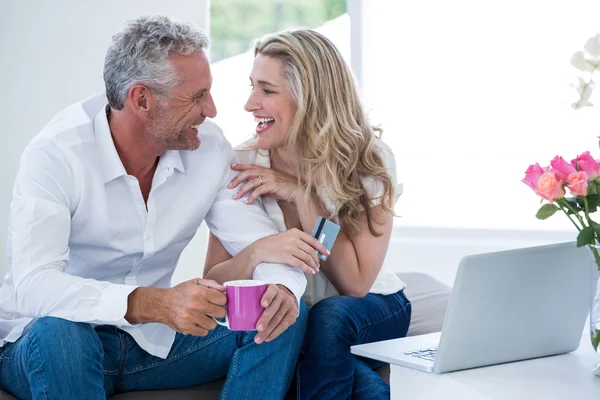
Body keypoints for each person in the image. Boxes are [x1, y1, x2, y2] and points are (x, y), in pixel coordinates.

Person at [0, 15, 320, 400]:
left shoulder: (209, 148)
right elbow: (33, 285)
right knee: (61, 331)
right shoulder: (57, 154)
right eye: (197, 96)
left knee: (285, 314)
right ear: (142, 100)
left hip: (149, 345)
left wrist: (283, 286)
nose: (213, 110)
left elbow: (266, 243)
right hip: (51, 343)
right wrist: (152, 302)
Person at [204, 29, 412, 400]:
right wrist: (255, 254)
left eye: (267, 90)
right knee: (299, 327)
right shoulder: (242, 164)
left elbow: (355, 282)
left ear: (311, 98)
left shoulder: (370, 160)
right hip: (298, 317)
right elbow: (215, 282)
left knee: (327, 318)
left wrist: (301, 194)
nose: (250, 104)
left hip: (370, 307)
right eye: (252, 87)